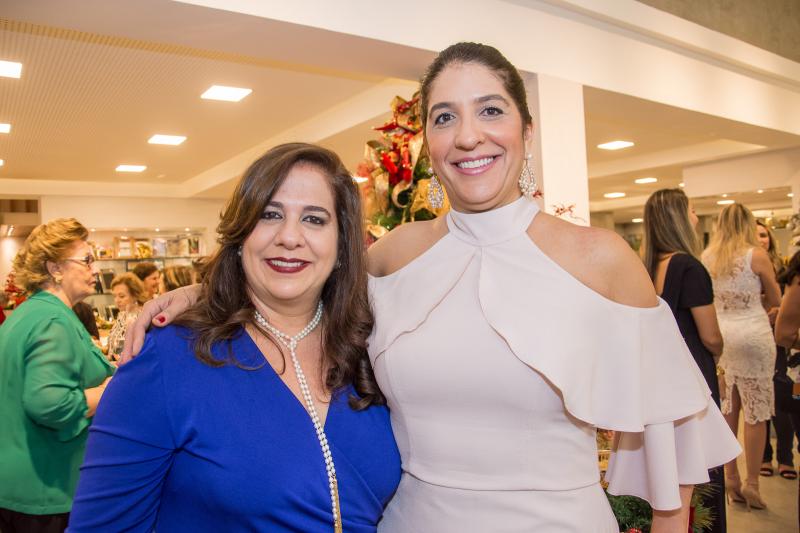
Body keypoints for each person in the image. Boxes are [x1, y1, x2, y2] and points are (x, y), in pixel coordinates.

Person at [125, 43, 740, 532]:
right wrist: (199, 296)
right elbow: (297, 286)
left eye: (490, 110)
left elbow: (670, 448)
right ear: (429, 144)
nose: (468, 136)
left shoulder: (601, 259)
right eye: (445, 117)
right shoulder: (395, 254)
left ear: (527, 130)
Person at [68, 144, 401, 532]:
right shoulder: (169, 356)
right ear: (241, 236)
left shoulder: (371, 347)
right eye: (270, 214)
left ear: (342, 245)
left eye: (314, 219)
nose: (289, 236)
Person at [0, 218, 114, 533]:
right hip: (44, 488)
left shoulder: (30, 312)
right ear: (55, 269)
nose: (95, 269)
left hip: (19, 484)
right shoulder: (53, 320)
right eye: (87, 260)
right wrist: (108, 390)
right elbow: (49, 404)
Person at [641, 188, 727, 532]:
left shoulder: (646, 268)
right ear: (678, 219)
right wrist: (720, 353)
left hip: (661, 375)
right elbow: (710, 335)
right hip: (694, 372)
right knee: (702, 462)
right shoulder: (690, 267)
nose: (695, 217)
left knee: (672, 467)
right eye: (691, 210)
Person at [702, 203, 781, 510]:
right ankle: (752, 484)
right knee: (756, 412)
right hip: (752, 333)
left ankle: (731, 478)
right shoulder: (756, 255)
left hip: (722, 335)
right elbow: (775, 297)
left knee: (728, 408)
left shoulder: (708, 256)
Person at [756, 221, 799, 480]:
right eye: (755, 235)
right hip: (756, 336)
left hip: (780, 340)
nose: (760, 239)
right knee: (759, 400)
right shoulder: (740, 266)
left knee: (783, 394)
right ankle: (764, 456)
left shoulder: (783, 267)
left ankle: (785, 456)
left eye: (764, 234)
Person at [106, 273, 147, 361]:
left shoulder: (142, 318)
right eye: (115, 296)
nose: (117, 300)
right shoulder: (122, 315)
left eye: (122, 296)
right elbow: (114, 347)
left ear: (135, 295)